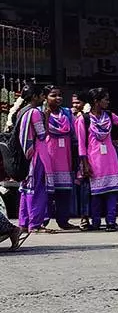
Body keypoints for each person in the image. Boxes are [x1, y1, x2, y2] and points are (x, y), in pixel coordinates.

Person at [18, 85, 77, 232]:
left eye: (59, 95)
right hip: (41, 156)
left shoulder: (22, 112)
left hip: (41, 157)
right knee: (38, 190)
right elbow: (42, 134)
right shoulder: (36, 113)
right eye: (46, 95)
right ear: (35, 97)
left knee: (30, 190)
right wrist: (46, 117)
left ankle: (26, 223)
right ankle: (36, 224)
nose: (57, 98)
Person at [77, 88, 118, 231]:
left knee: (112, 191)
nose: (108, 102)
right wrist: (84, 163)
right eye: (105, 99)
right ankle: (96, 222)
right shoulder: (84, 119)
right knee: (97, 193)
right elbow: (81, 144)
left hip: (110, 158)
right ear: (96, 101)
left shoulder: (109, 116)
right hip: (94, 159)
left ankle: (111, 221)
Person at [69, 92, 91, 229]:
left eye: (78, 102)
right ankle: (83, 215)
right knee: (81, 186)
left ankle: (86, 216)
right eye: (73, 103)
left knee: (86, 187)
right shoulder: (71, 115)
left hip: (88, 154)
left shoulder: (88, 117)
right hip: (76, 154)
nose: (75, 106)